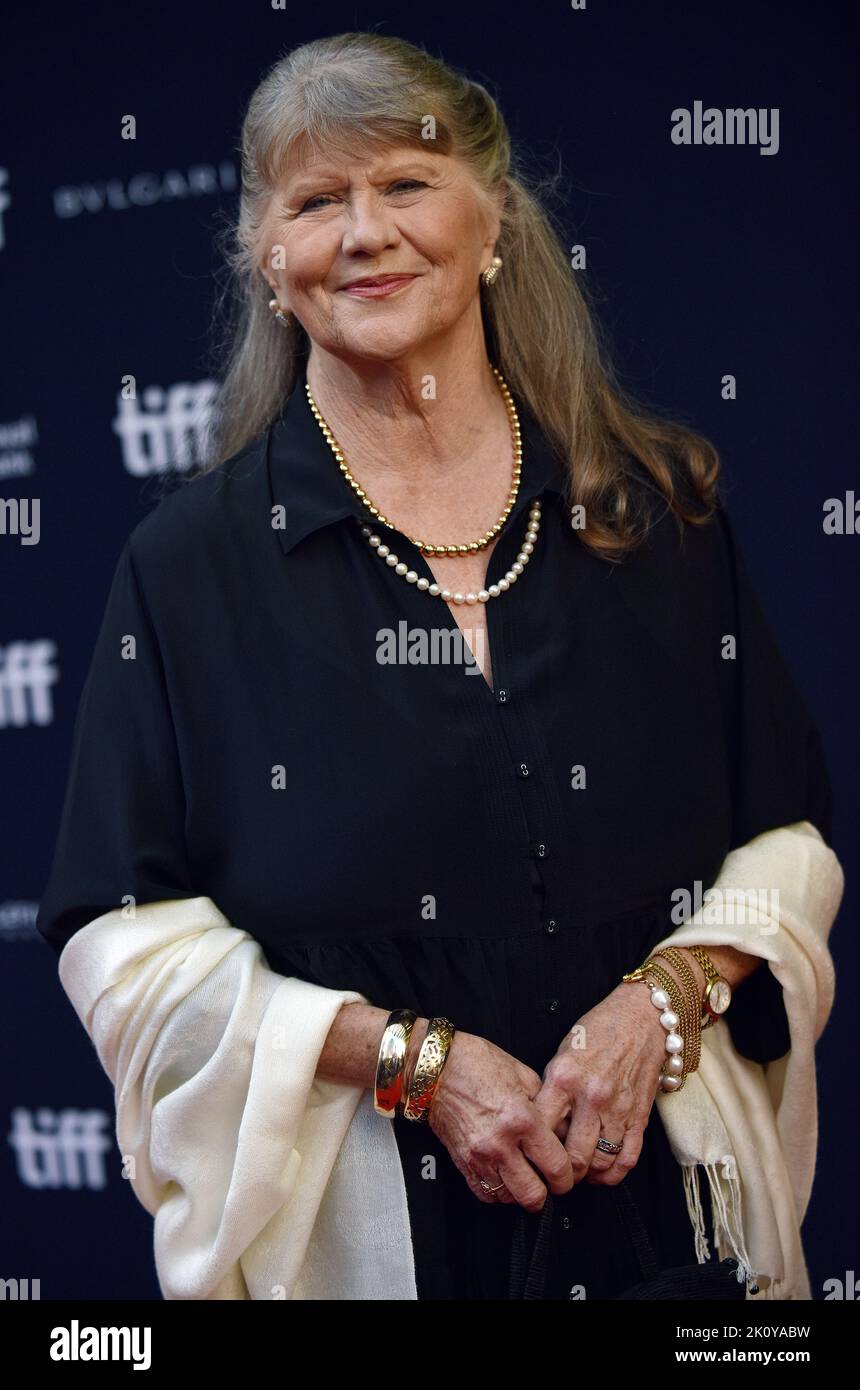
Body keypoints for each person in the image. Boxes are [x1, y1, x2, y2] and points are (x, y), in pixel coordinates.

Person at [37, 32, 839, 1301]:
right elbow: (121, 947)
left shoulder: (648, 514)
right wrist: (406, 1058)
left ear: (495, 219)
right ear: (267, 256)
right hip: (378, 1257)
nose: (365, 233)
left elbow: (784, 837)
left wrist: (664, 1005)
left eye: (406, 185)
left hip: (678, 1251)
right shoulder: (185, 571)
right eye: (315, 200)